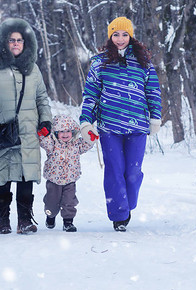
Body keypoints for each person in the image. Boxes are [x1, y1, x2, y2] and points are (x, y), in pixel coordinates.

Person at [79, 16, 162, 232]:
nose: (120, 38)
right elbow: (91, 95)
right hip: (110, 127)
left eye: (124, 34)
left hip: (138, 127)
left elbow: (153, 91)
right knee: (114, 170)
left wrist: (155, 117)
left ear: (131, 36)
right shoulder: (99, 62)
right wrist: (86, 121)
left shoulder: (143, 61)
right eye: (116, 34)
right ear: (110, 36)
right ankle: (119, 214)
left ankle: (127, 204)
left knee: (133, 173)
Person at [0, 18, 52, 234]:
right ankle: (4, 219)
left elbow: (42, 98)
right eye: (11, 40)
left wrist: (46, 119)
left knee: (26, 176)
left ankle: (25, 219)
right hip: (0, 131)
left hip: (28, 132)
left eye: (20, 40)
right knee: (3, 176)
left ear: (26, 43)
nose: (16, 43)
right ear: (3, 42)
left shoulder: (33, 69)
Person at [38, 114, 94, 232]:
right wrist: (43, 135)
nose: (65, 134)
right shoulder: (53, 144)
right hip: (54, 180)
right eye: (61, 131)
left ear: (73, 132)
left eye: (68, 131)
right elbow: (45, 142)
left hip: (70, 179)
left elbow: (86, 144)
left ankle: (68, 222)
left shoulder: (76, 144)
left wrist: (90, 137)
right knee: (51, 202)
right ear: (56, 132)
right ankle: (50, 216)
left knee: (69, 202)